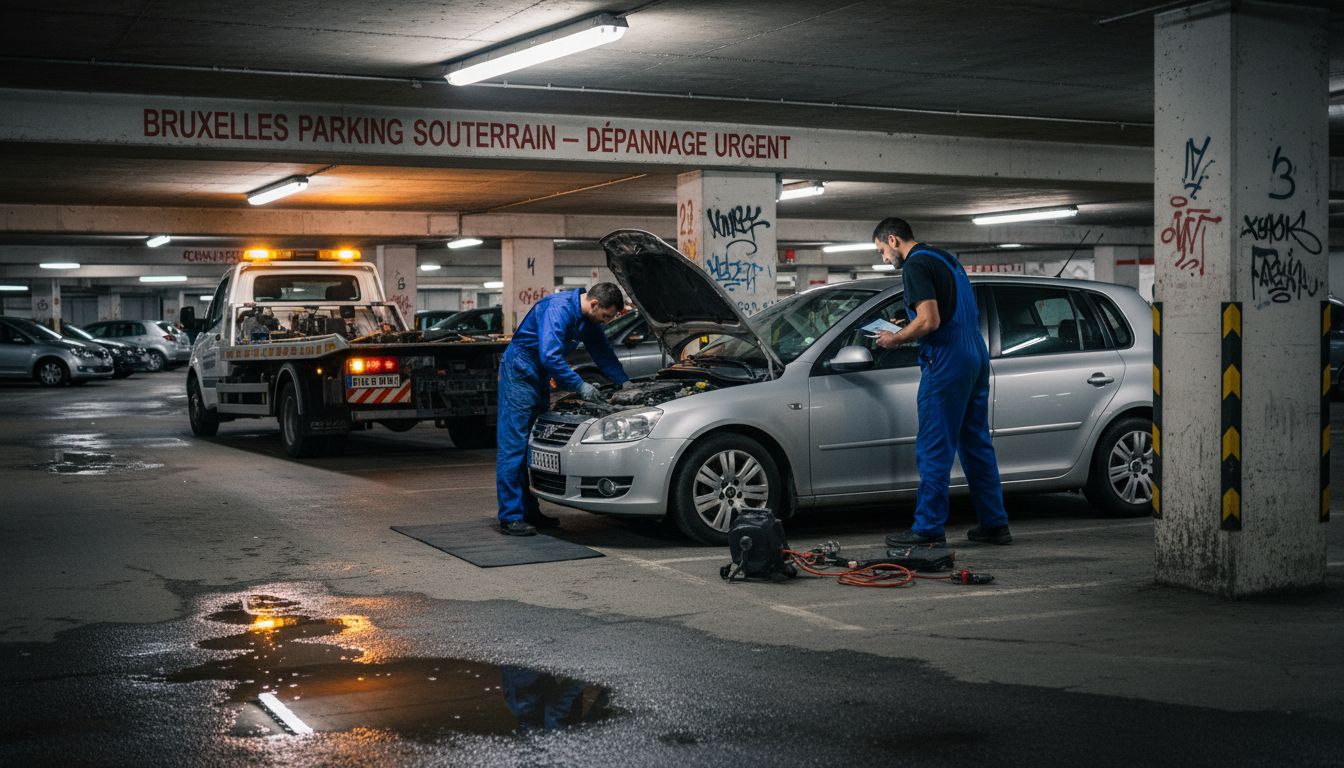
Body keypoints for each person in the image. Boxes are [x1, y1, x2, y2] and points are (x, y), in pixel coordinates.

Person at [871, 217, 1012, 546]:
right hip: (975, 352)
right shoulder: (944, 258)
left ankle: (928, 528)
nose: (883, 258)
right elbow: (944, 309)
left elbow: (931, 320)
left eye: (881, 251)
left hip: (947, 357)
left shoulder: (914, 266)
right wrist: (908, 322)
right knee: (976, 443)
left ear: (893, 240)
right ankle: (994, 523)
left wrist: (896, 338)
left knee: (934, 446)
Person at [495, 283, 630, 536]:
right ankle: (510, 516)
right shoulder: (557, 309)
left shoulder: (589, 320)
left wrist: (624, 382)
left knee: (532, 445)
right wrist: (580, 386)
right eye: (606, 316)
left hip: (538, 376)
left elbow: (603, 353)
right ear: (594, 304)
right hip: (520, 373)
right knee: (513, 446)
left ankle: (529, 511)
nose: (606, 321)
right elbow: (550, 355)